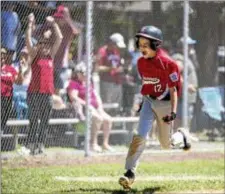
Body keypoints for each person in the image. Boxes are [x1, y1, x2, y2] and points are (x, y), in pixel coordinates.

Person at [118, 26, 191, 190]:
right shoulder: (140, 62)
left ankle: (182, 135)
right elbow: (148, 84)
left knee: (166, 144)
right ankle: (130, 173)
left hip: (165, 103)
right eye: (140, 44)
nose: (141, 48)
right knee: (139, 136)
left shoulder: (169, 64)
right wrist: (143, 103)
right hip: (149, 102)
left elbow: (173, 91)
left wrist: (173, 113)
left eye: (146, 44)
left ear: (156, 45)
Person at [24, 13, 63, 155]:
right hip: (34, 92)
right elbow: (28, 40)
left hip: (47, 93)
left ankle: (40, 145)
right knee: (34, 120)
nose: (45, 46)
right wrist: (30, 23)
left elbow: (59, 38)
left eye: (47, 44)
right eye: (42, 44)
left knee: (45, 121)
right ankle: (30, 145)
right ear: (38, 45)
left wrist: (54, 24)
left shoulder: (50, 56)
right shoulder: (34, 56)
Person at [67, 62, 113, 152]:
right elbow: (73, 97)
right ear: (78, 73)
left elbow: (96, 95)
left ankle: (105, 144)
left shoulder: (88, 83)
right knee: (98, 118)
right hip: (83, 108)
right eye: (83, 74)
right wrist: (87, 104)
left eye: (86, 74)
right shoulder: (74, 83)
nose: (85, 76)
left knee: (108, 119)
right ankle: (93, 144)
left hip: (94, 108)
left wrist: (100, 107)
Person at [172, 36, 199, 133]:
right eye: (189, 45)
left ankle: (181, 138)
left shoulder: (187, 58)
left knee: (186, 120)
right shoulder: (179, 58)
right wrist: (186, 86)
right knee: (179, 120)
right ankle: (176, 140)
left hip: (188, 97)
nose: (191, 47)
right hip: (182, 97)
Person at [96, 33, 126, 108]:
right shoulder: (102, 51)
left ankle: (117, 118)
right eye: (116, 45)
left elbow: (117, 65)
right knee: (108, 105)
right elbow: (97, 68)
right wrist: (110, 68)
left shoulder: (116, 51)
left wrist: (121, 69)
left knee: (117, 105)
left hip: (117, 81)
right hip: (107, 82)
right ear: (111, 43)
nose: (117, 47)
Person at [1, 48, 25, 132]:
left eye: (4, 54)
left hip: (7, 98)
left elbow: (19, 82)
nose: (2, 56)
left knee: (4, 118)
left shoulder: (10, 69)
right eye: (1, 53)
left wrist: (21, 70)